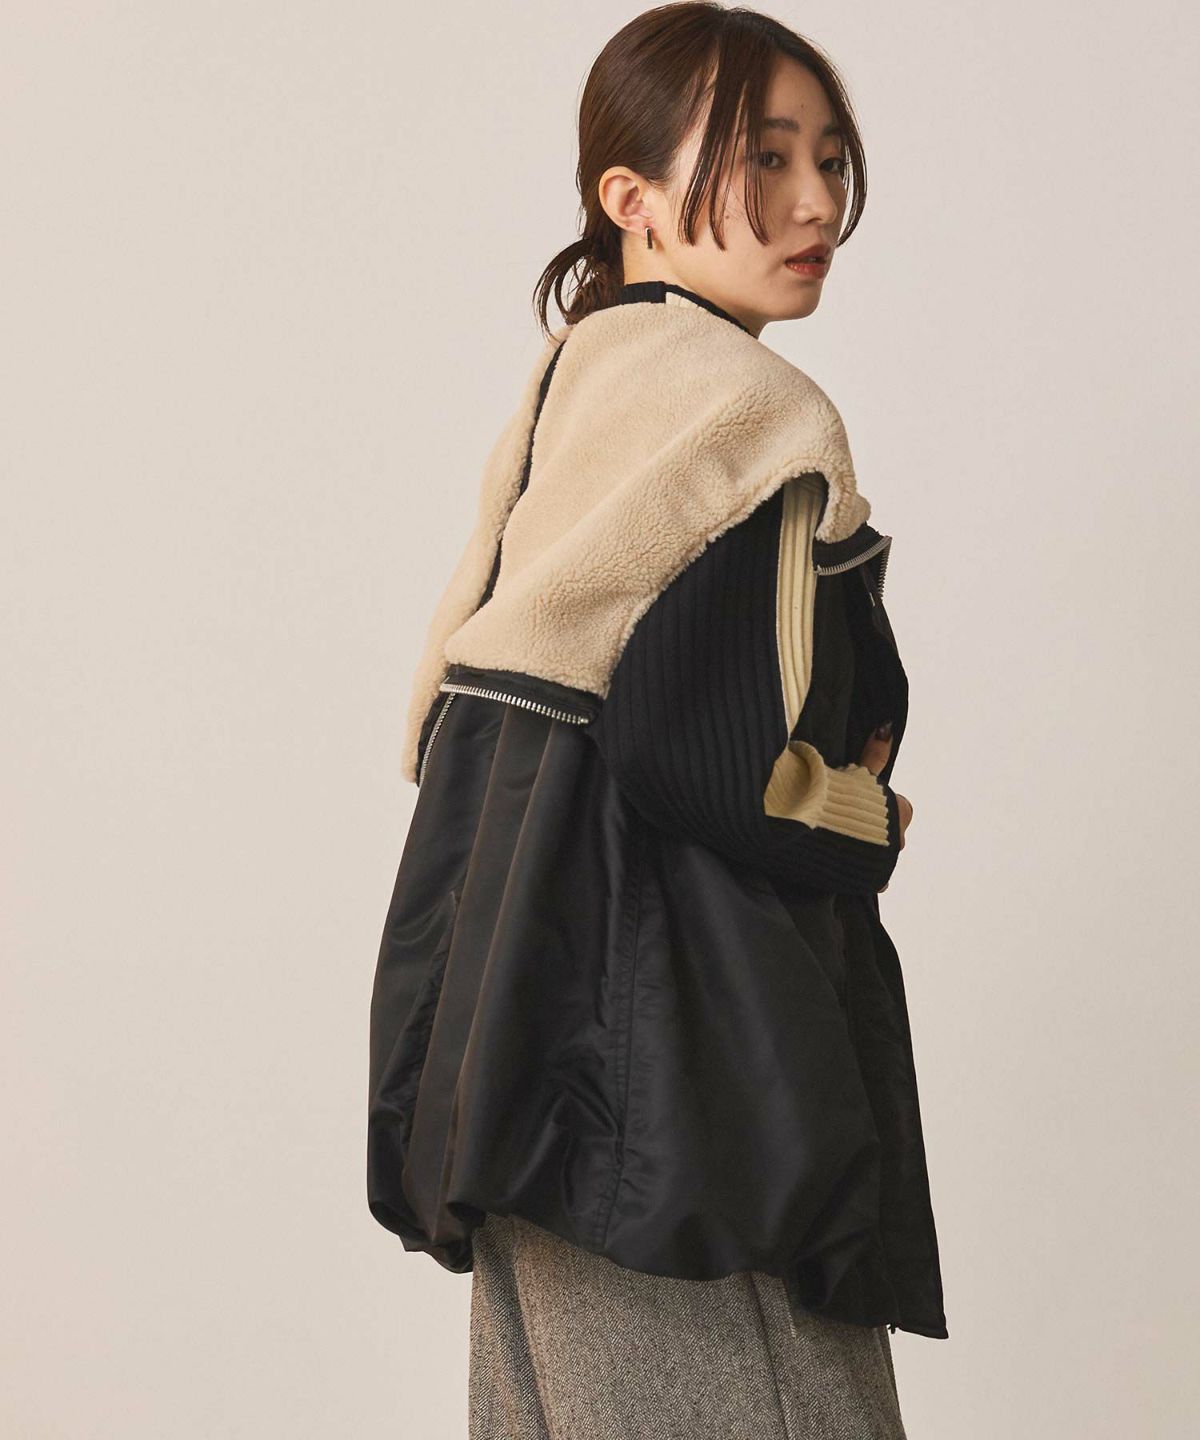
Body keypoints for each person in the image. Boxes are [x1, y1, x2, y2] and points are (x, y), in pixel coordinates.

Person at [367, 4, 949, 1435]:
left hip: (504, 1025)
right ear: (628, 198)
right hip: (689, 1075)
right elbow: (707, 766)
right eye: (764, 158)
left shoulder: (571, 384)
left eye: (829, 161)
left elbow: (442, 718)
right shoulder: (748, 411)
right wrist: (867, 812)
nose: (815, 204)